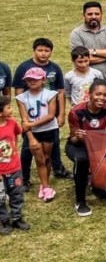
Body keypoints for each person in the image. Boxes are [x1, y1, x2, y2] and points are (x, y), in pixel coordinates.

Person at [12, 38, 71, 186]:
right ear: (34, 51)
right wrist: (25, 118)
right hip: (31, 116)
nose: (43, 53)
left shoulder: (55, 68)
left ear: (51, 52)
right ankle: (25, 178)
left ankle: (58, 169)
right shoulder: (24, 67)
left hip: (50, 116)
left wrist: (61, 114)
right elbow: (18, 92)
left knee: (54, 144)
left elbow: (60, 92)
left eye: (47, 50)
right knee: (27, 148)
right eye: (40, 50)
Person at [66, 81, 106, 212]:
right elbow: (73, 139)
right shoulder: (76, 112)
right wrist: (78, 137)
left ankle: (96, 182)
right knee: (82, 160)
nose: (101, 98)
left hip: (100, 145)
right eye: (98, 94)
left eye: (105, 95)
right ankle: (80, 201)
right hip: (79, 145)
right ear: (90, 94)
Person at [16, 67, 59, 202]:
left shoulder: (50, 94)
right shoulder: (21, 97)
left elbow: (51, 116)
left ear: (43, 80)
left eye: (35, 79)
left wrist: (31, 124)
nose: (32, 81)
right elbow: (24, 119)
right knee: (39, 159)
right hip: (33, 133)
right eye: (29, 79)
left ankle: (44, 183)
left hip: (48, 130)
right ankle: (46, 187)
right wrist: (30, 136)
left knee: (47, 157)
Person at [70, 1, 106, 105]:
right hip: (86, 82)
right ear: (83, 15)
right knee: (87, 110)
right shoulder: (76, 34)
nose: (93, 16)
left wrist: (92, 51)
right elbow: (81, 59)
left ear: (101, 15)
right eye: (90, 14)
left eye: (97, 14)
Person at [0, 95, 29, 232]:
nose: (11, 110)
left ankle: (17, 218)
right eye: (8, 107)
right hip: (1, 171)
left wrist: (14, 152)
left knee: (16, 193)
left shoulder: (12, 123)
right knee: (0, 197)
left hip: (14, 168)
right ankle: (4, 221)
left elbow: (16, 136)